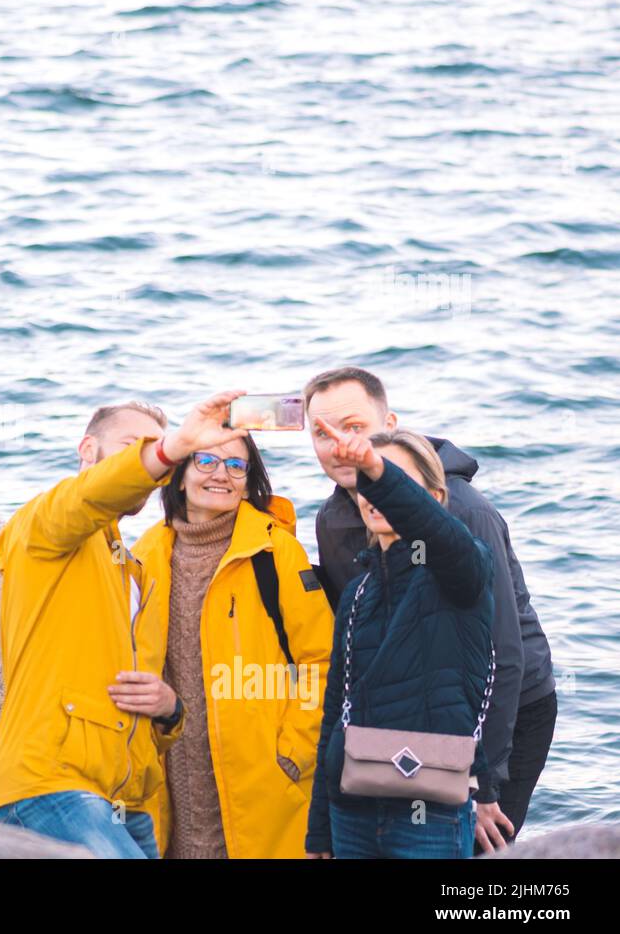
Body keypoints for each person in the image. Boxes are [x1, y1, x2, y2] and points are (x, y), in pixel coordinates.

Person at [304, 367, 556, 853]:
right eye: (321, 432)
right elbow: (353, 677)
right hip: (400, 728)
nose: (339, 444)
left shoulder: (462, 512)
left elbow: (502, 658)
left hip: (508, 705)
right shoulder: (336, 517)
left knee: (479, 848)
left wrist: (483, 784)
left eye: (354, 428)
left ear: (388, 421)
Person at [0, 392, 250, 858]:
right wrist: (168, 449)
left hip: (127, 803)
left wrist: (170, 710)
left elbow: (135, 702)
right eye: (133, 445)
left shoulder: (134, 570)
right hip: (52, 784)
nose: (148, 460)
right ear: (88, 451)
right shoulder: (45, 529)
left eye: (154, 449)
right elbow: (86, 498)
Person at [131, 433, 333, 858]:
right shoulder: (148, 553)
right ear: (180, 476)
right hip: (171, 776)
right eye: (206, 461)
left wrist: (294, 753)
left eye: (236, 466)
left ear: (249, 480)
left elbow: (323, 661)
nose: (221, 474)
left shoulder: (275, 552)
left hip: (264, 783)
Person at [305, 425, 494, 859]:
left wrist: (375, 467)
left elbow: (440, 538)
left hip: (428, 809)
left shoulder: (462, 570)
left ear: (436, 497)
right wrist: (319, 831)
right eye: (365, 483)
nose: (374, 492)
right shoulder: (357, 593)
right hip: (350, 808)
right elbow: (336, 711)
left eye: (392, 480)